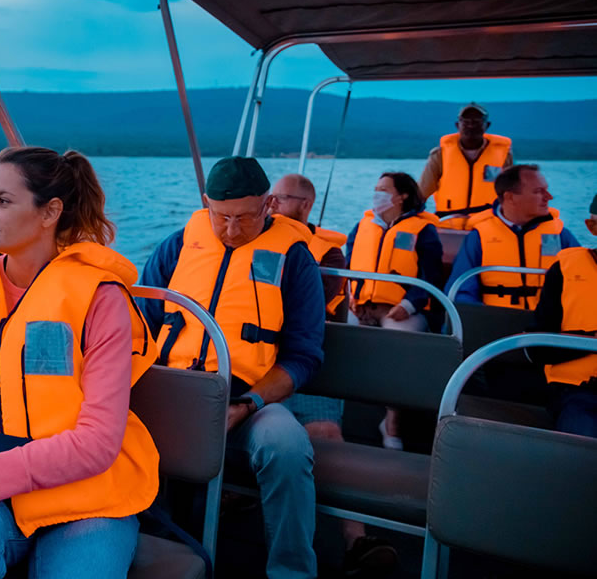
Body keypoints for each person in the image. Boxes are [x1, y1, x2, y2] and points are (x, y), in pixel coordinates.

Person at [0, 146, 160, 579]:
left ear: (49, 212)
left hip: (86, 496)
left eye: (2, 201)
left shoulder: (99, 298)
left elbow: (96, 444)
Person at [140, 157, 324, 579]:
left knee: (287, 446)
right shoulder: (177, 246)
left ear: (268, 204)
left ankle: (291, 571)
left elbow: (303, 357)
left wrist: (247, 404)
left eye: (244, 218)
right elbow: (140, 328)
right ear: (206, 205)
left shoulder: (295, 261)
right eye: (221, 217)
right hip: (172, 390)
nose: (230, 230)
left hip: (247, 399)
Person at [270, 173, 398, 575]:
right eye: (268, 198)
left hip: (304, 363)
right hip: (253, 362)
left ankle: (355, 540)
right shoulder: (250, 241)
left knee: (322, 433)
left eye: (280, 199)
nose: (270, 206)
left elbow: (305, 302)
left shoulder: (328, 255)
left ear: (305, 206)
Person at [346, 171, 443, 450]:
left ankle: (392, 424)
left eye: (383, 189)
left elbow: (432, 276)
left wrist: (409, 304)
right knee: (336, 338)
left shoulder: (422, 231)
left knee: (397, 353)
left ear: (401, 195)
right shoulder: (363, 226)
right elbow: (352, 265)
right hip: (363, 306)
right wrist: (353, 296)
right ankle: (339, 417)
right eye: (375, 188)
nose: (376, 193)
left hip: (401, 309)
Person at [445, 164, 581, 309]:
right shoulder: (479, 238)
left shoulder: (561, 235)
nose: (549, 197)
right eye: (538, 192)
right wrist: (482, 320)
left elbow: (582, 282)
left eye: (546, 190)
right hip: (495, 321)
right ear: (510, 197)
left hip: (549, 323)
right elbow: (461, 291)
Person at [525, 192, 597, 438]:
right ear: (592, 227)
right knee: (583, 435)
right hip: (578, 392)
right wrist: (592, 340)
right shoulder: (564, 272)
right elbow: (538, 349)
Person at [418, 102, 513, 229]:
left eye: (477, 122)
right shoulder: (440, 155)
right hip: (448, 227)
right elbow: (421, 194)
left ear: (487, 125)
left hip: (488, 228)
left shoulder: (503, 155)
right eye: (466, 122)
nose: (471, 126)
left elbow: (513, 194)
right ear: (458, 125)